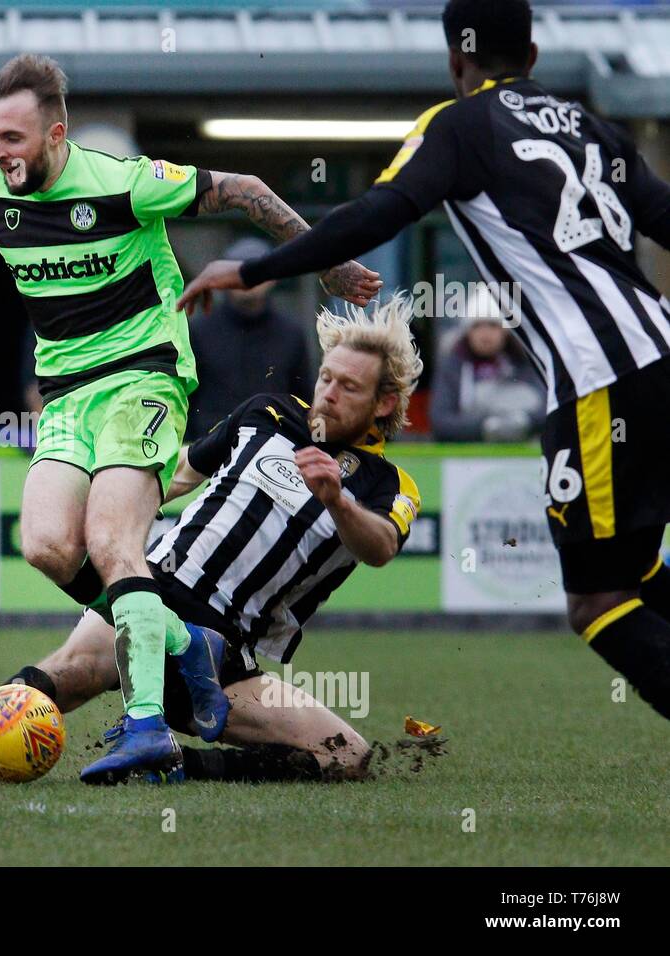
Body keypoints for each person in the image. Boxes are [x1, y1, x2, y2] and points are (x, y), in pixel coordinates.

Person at [0, 52, 382, 781]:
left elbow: (246, 191)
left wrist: (328, 264)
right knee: (47, 546)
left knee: (114, 541)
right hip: (66, 397)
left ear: (55, 134)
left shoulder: (125, 183)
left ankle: (147, 727)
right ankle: (180, 639)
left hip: (143, 379)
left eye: (12, 139)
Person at [177, 0, 670, 720]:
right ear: (533, 56)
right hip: (660, 350)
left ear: (456, 61)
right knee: (641, 570)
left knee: (599, 600)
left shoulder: (461, 124)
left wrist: (255, 268)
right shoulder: (598, 131)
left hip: (603, 380)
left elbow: (384, 208)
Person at [0, 296, 423, 784]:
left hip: (227, 657)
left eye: (348, 387)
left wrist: (338, 500)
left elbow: (379, 547)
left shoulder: (390, 486)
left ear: (384, 403)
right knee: (72, 668)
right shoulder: (268, 412)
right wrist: (103, 495)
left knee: (347, 755)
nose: (328, 393)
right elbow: (176, 472)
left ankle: (176, 765)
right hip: (156, 588)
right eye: (326, 377)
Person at [187, 236, 312, 437]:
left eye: (256, 272)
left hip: (274, 443)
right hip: (208, 445)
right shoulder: (199, 330)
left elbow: (304, 400)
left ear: (273, 278)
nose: (248, 281)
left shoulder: (291, 334)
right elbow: (186, 396)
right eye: (241, 272)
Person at [430, 285, 546, 441]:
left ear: (505, 331)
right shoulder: (453, 369)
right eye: (477, 326)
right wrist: (485, 427)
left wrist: (524, 422)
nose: (485, 334)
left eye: (493, 325)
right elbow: (441, 422)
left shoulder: (527, 365)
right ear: (467, 331)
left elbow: (549, 410)